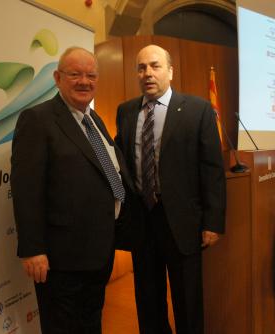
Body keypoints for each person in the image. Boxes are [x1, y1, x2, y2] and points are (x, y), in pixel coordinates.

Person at [10, 46, 135, 334]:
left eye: (91, 75)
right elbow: (26, 188)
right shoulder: (38, 120)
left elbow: (109, 173)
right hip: (61, 259)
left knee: (90, 323)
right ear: (57, 77)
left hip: (97, 252)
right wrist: (33, 249)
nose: (84, 81)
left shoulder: (94, 120)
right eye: (75, 74)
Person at [115, 44, 226, 334]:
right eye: (141, 68)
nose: (147, 73)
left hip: (183, 222)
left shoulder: (198, 110)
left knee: (187, 302)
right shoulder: (125, 112)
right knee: (148, 301)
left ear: (170, 71)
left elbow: (212, 170)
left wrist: (212, 222)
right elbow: (122, 164)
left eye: (155, 66)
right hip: (142, 221)